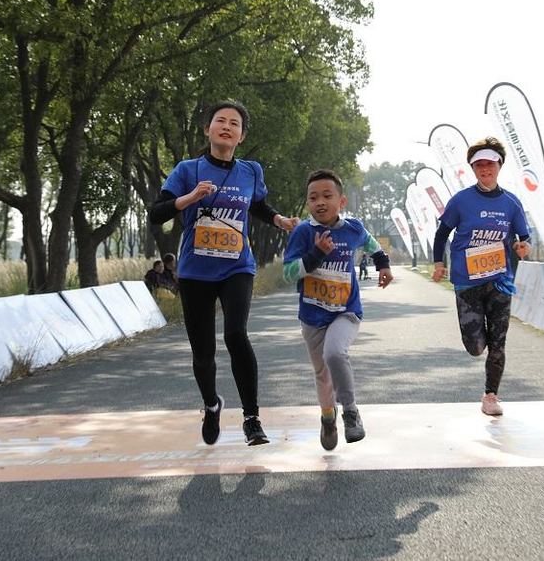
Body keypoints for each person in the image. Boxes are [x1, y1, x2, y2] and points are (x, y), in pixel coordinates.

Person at [148, 100, 299, 446]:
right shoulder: (188, 169)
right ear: (208, 129)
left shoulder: (251, 171)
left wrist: (279, 221)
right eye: (220, 121)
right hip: (195, 271)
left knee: (235, 333)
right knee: (203, 353)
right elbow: (157, 213)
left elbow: (257, 205)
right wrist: (190, 197)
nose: (227, 126)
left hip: (236, 265)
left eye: (234, 123)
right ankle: (212, 404)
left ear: (241, 136)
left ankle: (252, 418)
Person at [283, 169, 392, 449]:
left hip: (346, 311)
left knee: (335, 352)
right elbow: (288, 273)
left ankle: (351, 412)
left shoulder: (353, 229)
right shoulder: (303, 233)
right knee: (322, 374)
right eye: (313, 197)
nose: (320, 202)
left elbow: (373, 246)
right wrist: (316, 254)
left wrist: (383, 265)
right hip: (312, 316)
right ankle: (327, 417)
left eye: (327, 196)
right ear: (308, 203)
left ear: (341, 201)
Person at [430, 137, 530, 416]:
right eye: (479, 165)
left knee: (498, 344)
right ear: (473, 169)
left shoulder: (511, 202)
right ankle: (479, 337)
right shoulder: (461, 200)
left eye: (490, 164)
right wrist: (439, 263)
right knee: (476, 347)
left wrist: (523, 246)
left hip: (499, 280)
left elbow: (523, 236)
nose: (485, 169)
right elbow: (441, 234)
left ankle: (491, 396)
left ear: (499, 166)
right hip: (467, 282)